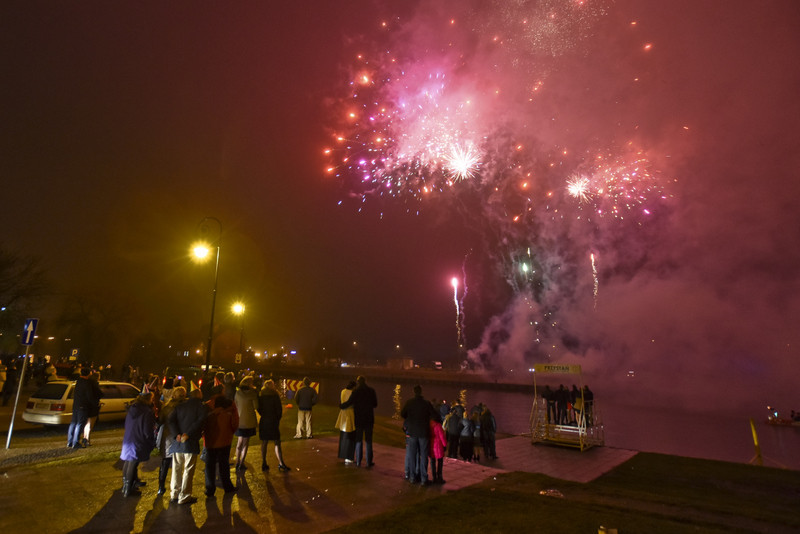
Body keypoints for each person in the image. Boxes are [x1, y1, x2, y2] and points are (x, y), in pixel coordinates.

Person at [168, 388, 208, 505]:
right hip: (190, 442)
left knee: (176, 468)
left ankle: (174, 493)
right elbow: (200, 421)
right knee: (188, 469)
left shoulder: (180, 405)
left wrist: (177, 434)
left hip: (178, 442)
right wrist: (188, 434)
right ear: (199, 395)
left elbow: (171, 420)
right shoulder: (201, 406)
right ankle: (184, 496)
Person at [120, 390, 156, 497]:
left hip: (129, 437)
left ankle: (128, 484)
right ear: (148, 399)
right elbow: (147, 430)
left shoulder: (133, 408)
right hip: (138, 439)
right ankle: (127, 489)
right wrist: (151, 439)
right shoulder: (147, 412)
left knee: (128, 461)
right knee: (133, 462)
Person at [400, 384, 437, 485]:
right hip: (423, 432)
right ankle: (423, 478)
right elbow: (434, 415)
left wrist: (410, 417)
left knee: (412, 455)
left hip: (412, 432)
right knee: (424, 455)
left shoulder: (409, 403)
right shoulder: (426, 403)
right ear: (421, 392)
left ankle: (412, 477)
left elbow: (402, 414)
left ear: (413, 392)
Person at [203, 395, 238, 497]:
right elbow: (235, 422)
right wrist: (230, 432)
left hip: (210, 441)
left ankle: (210, 489)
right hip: (225, 439)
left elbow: (202, 423)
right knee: (224, 464)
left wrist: (204, 435)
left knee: (210, 466)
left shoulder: (207, 408)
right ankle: (227, 486)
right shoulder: (230, 407)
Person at [340, 375, 378, 467]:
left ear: (358, 382)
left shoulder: (356, 392)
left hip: (359, 419)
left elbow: (349, 402)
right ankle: (369, 462)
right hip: (369, 418)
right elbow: (375, 404)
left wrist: (341, 405)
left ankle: (358, 461)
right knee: (369, 441)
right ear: (365, 381)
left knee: (358, 440)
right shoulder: (371, 391)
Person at [156, 385, 186, 495]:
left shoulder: (167, 407)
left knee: (166, 462)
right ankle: (177, 487)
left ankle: (161, 486)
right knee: (178, 464)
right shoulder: (184, 407)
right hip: (178, 437)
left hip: (168, 436)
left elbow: (160, 421)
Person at [257, 379, 290, 472]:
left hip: (264, 420)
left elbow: (259, 408)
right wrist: (277, 418)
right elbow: (279, 409)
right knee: (277, 442)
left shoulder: (261, 395)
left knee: (264, 442)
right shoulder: (275, 395)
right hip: (273, 420)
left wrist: (263, 414)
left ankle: (264, 462)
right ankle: (281, 463)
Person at [67, 367, 101, 449]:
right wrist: (95, 403)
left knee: (73, 423)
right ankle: (76, 443)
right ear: (88, 374)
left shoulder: (78, 381)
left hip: (75, 405)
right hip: (83, 406)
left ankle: (70, 442)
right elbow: (89, 396)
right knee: (79, 424)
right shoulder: (86, 383)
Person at [233, 376, 259, 470]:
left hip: (239, 420)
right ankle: (241, 463)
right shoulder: (252, 394)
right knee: (245, 443)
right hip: (249, 421)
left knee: (239, 442)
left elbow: (235, 404)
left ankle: (237, 462)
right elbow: (256, 406)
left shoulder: (237, 393)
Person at [335, 380, 356, 464]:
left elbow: (342, 401)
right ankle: (348, 456)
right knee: (350, 435)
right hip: (350, 413)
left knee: (343, 435)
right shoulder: (353, 393)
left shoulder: (343, 391)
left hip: (343, 414)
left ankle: (342, 454)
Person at [82, 370, 102, 446]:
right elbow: (100, 394)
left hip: (87, 406)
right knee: (90, 424)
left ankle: (85, 438)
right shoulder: (95, 385)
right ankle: (87, 440)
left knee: (87, 424)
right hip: (93, 407)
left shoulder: (88, 384)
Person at [428, 413, 447, 484]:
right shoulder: (438, 426)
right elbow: (442, 436)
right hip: (438, 446)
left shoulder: (428, 425)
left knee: (432, 462)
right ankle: (440, 477)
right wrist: (445, 445)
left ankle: (434, 477)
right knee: (440, 462)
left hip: (431, 445)